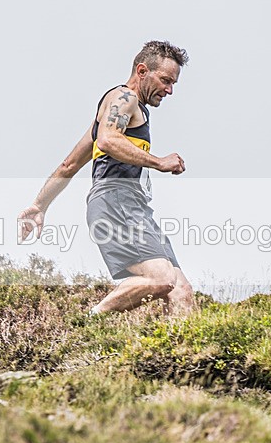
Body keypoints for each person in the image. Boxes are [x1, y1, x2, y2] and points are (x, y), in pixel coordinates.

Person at [18, 40, 195, 316]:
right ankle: (92, 319)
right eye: (165, 80)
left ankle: (183, 354)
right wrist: (159, 162)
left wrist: (39, 206)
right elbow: (109, 139)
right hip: (116, 199)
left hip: (134, 206)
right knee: (162, 278)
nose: (169, 90)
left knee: (180, 288)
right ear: (142, 70)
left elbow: (69, 165)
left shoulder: (127, 111)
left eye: (173, 83)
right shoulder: (123, 97)